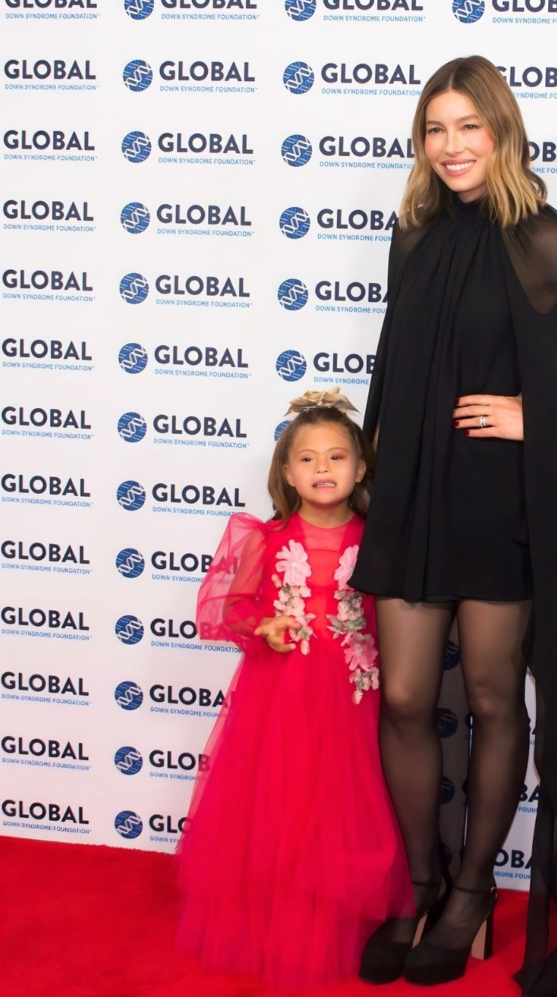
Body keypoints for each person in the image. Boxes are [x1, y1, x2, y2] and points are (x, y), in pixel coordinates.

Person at [353, 56, 557, 995]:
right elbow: (397, 362)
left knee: (495, 696)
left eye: (470, 126)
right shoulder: (413, 232)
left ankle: (472, 893)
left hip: (502, 503)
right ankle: (419, 885)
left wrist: (546, 413)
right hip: (415, 493)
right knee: (405, 697)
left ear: (502, 132)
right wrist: (376, 470)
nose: (451, 146)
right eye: (435, 129)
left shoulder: (540, 235)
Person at [175, 390, 412, 992]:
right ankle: (275, 907)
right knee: (280, 798)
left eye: (337, 456)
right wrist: (265, 625)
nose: (322, 468)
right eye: (307, 459)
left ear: (361, 468)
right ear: (286, 471)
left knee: (341, 801)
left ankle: (334, 906)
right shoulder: (270, 537)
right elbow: (229, 609)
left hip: (352, 693)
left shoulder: (377, 538)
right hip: (281, 694)